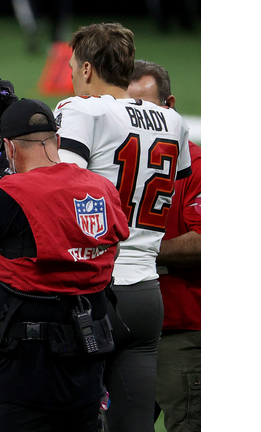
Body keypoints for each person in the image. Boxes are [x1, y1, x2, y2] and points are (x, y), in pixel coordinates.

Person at [0, 98, 130, 432]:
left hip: (22, 369)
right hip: (87, 360)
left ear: (10, 148)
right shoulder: (102, 188)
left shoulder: (5, 194)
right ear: (56, 140)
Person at [53, 23, 192, 432]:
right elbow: (174, 182)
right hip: (147, 291)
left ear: (88, 69)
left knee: (65, 419)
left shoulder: (81, 109)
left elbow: (61, 189)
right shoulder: (173, 121)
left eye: (74, 65)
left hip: (93, 287)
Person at [128, 60, 201, 432]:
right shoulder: (114, 161)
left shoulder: (200, 165)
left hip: (182, 331)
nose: (138, 122)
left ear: (170, 106)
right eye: (130, 110)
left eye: (148, 109)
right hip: (125, 327)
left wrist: (140, 250)